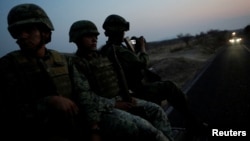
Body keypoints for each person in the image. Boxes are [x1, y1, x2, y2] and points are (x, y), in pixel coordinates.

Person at [0, 4, 160, 141]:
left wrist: (94, 128)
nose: (22, 36)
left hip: (78, 125)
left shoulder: (63, 61)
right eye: (17, 32)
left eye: (28, 30)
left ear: (45, 32)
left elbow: (84, 95)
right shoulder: (8, 66)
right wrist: (47, 102)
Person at [99, 14, 208, 136]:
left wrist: (133, 49)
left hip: (128, 89)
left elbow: (130, 63)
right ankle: (192, 123)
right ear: (118, 31)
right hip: (133, 91)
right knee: (169, 87)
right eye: (123, 31)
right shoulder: (117, 50)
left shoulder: (106, 49)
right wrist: (142, 48)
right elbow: (142, 63)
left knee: (157, 86)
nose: (124, 34)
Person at [68, 20, 174, 141]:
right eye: (89, 36)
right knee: (145, 129)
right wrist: (114, 104)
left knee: (156, 110)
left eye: (95, 36)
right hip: (104, 108)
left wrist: (127, 96)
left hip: (121, 98)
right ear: (76, 38)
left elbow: (118, 79)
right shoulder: (77, 64)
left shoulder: (102, 56)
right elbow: (85, 97)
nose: (94, 39)